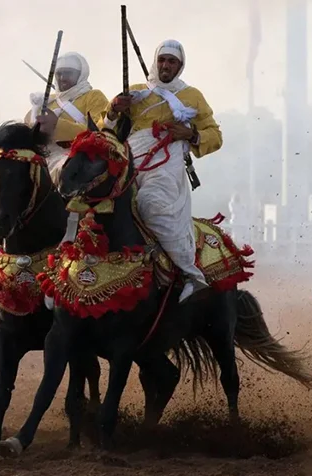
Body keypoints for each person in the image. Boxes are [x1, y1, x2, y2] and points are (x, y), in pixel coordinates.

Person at [98, 39, 223, 303]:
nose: (166, 65)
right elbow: (103, 131)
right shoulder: (133, 92)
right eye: (162, 60)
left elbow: (215, 136)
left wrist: (190, 133)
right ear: (156, 62)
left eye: (172, 61)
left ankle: (191, 274)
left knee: (149, 203)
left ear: (180, 66)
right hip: (130, 158)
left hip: (166, 162)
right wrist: (112, 111)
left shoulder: (192, 96)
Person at [25, 51, 109, 177]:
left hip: (77, 157)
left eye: (68, 73)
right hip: (41, 156)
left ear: (80, 74)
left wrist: (56, 125)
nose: (62, 78)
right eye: (59, 73)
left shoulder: (93, 97)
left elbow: (101, 133)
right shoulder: (45, 102)